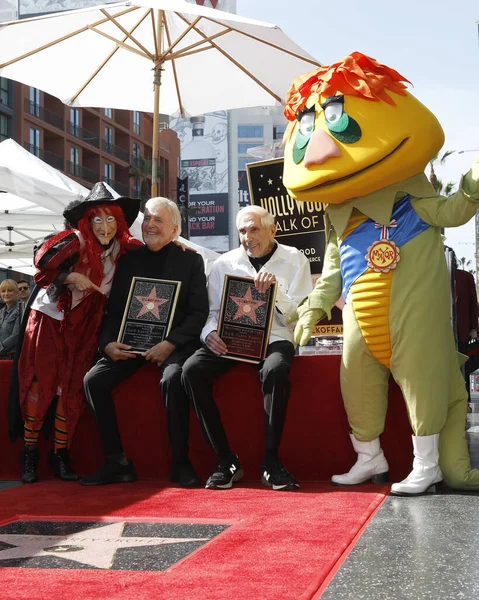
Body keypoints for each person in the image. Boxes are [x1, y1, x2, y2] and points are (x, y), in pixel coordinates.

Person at [9, 182, 142, 484]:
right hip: (51, 321)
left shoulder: (124, 248)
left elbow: (152, 252)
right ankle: (29, 453)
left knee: (72, 391)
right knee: (41, 385)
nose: (105, 226)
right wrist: (71, 276)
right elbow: (41, 262)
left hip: (86, 327)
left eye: (111, 219)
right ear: (87, 220)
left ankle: (60, 455)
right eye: (98, 218)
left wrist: (178, 247)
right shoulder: (75, 239)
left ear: (119, 222)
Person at [80, 197, 209, 488]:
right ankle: (117, 462)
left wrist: (171, 343)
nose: (150, 225)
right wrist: (107, 344)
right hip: (131, 342)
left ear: (174, 229)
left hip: (172, 345)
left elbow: (198, 312)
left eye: (158, 220)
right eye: (147, 219)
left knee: (173, 378)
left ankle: (180, 464)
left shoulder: (190, 259)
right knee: (93, 380)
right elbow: (114, 311)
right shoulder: (130, 259)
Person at [182, 205, 312, 491]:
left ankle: (271, 462)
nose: (247, 236)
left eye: (254, 229)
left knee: (276, 370)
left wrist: (275, 291)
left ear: (272, 230)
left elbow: (298, 315)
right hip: (232, 338)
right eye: (242, 230)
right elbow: (212, 312)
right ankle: (226, 460)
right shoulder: (223, 263)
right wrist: (209, 335)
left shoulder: (294, 259)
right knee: (191, 369)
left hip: (275, 337)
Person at [454, 259, 478, 401]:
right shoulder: (431, 276)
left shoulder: (465, 277)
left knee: (464, 366)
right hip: (440, 331)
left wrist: (474, 327)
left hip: (461, 329)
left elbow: (473, 303)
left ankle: (464, 399)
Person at [0, 279, 20, 360]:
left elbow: (16, 335)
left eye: (10, 290)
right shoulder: (1, 311)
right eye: (3, 291)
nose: (6, 293)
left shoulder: (20, 310)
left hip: (12, 356)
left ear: (16, 293)